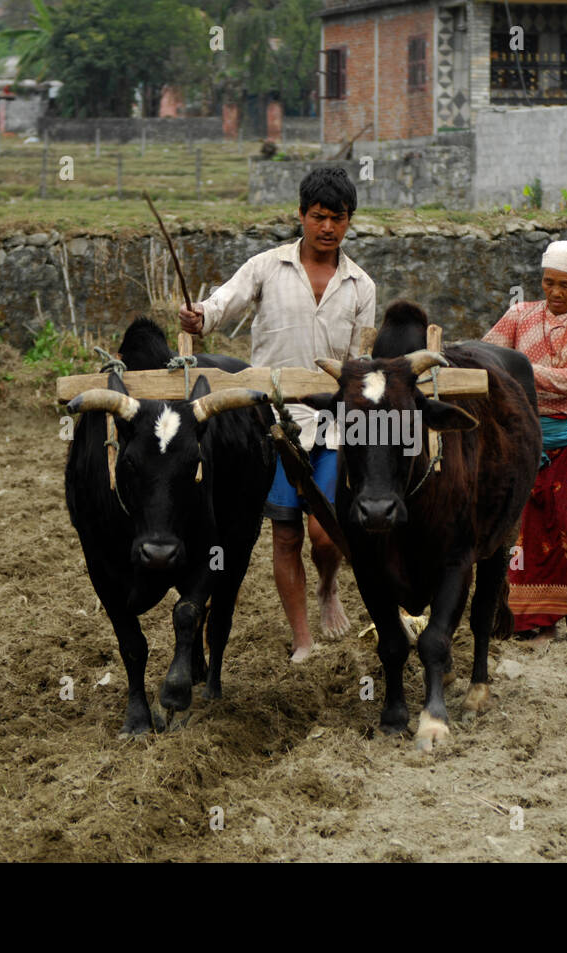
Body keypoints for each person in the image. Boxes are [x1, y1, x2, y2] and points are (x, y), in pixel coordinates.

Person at [179, 167, 376, 662]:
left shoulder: (360, 285)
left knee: (325, 534)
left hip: (332, 421)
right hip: (272, 421)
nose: (327, 227)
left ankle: (329, 587)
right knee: (286, 533)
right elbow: (223, 302)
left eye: (338, 218)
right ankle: (302, 636)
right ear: (302, 216)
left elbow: (361, 358)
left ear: (349, 222)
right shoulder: (267, 266)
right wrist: (200, 316)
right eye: (319, 217)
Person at [482, 240, 567, 641]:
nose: (554, 293)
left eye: (565, 286)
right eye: (548, 283)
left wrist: (517, 369)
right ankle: (535, 621)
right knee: (527, 534)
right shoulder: (520, 316)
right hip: (524, 440)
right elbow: (487, 354)